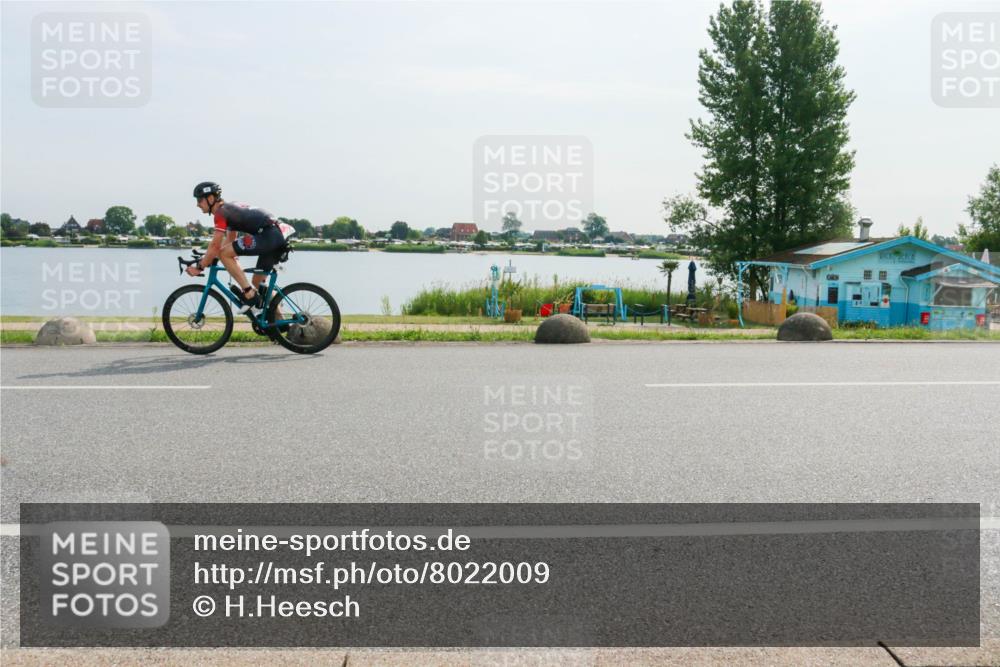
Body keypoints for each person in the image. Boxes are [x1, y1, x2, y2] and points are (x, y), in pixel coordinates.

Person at [187, 182, 290, 312]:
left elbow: (215, 245)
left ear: (211, 198)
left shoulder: (221, 213)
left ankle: (248, 293)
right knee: (258, 283)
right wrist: (207, 257)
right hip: (275, 234)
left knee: (225, 254)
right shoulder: (229, 210)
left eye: (199, 200)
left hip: (269, 235)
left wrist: (200, 267)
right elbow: (230, 241)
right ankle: (279, 326)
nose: (197, 204)